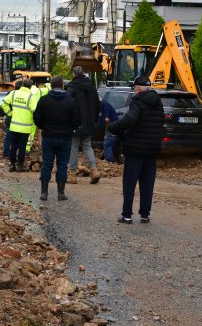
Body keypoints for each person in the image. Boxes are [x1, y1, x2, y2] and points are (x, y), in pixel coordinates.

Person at [108, 76, 164, 224]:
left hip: (135, 150)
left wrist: (113, 126)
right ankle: (145, 215)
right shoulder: (158, 103)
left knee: (129, 184)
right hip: (152, 151)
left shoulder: (138, 102)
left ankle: (127, 215)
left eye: (134, 88)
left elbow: (130, 120)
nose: (133, 91)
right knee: (147, 184)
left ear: (138, 89)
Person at [32, 75, 80, 201]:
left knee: (46, 164)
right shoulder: (70, 101)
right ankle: (61, 193)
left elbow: (36, 117)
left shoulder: (44, 100)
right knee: (62, 165)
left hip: (48, 136)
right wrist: (70, 128)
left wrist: (43, 126)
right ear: (63, 85)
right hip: (65, 137)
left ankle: (44, 193)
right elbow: (77, 119)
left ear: (51, 86)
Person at [66, 66, 100, 173]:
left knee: (73, 147)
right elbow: (97, 105)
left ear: (74, 74)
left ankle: (72, 172)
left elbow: (67, 103)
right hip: (88, 122)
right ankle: (94, 169)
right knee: (87, 146)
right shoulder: (92, 87)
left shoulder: (72, 87)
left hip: (75, 122)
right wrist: (94, 120)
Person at [1, 78, 38, 172]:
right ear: (30, 86)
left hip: (14, 125)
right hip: (25, 127)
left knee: (13, 145)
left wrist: (9, 113)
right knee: (22, 146)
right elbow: (35, 110)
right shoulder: (31, 97)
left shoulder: (14, 93)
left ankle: (12, 165)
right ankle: (20, 166)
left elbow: (4, 102)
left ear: (22, 85)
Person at [100, 97, 120, 163]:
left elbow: (106, 118)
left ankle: (109, 160)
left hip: (112, 126)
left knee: (107, 143)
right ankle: (110, 158)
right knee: (110, 143)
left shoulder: (104, 104)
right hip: (113, 126)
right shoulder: (103, 104)